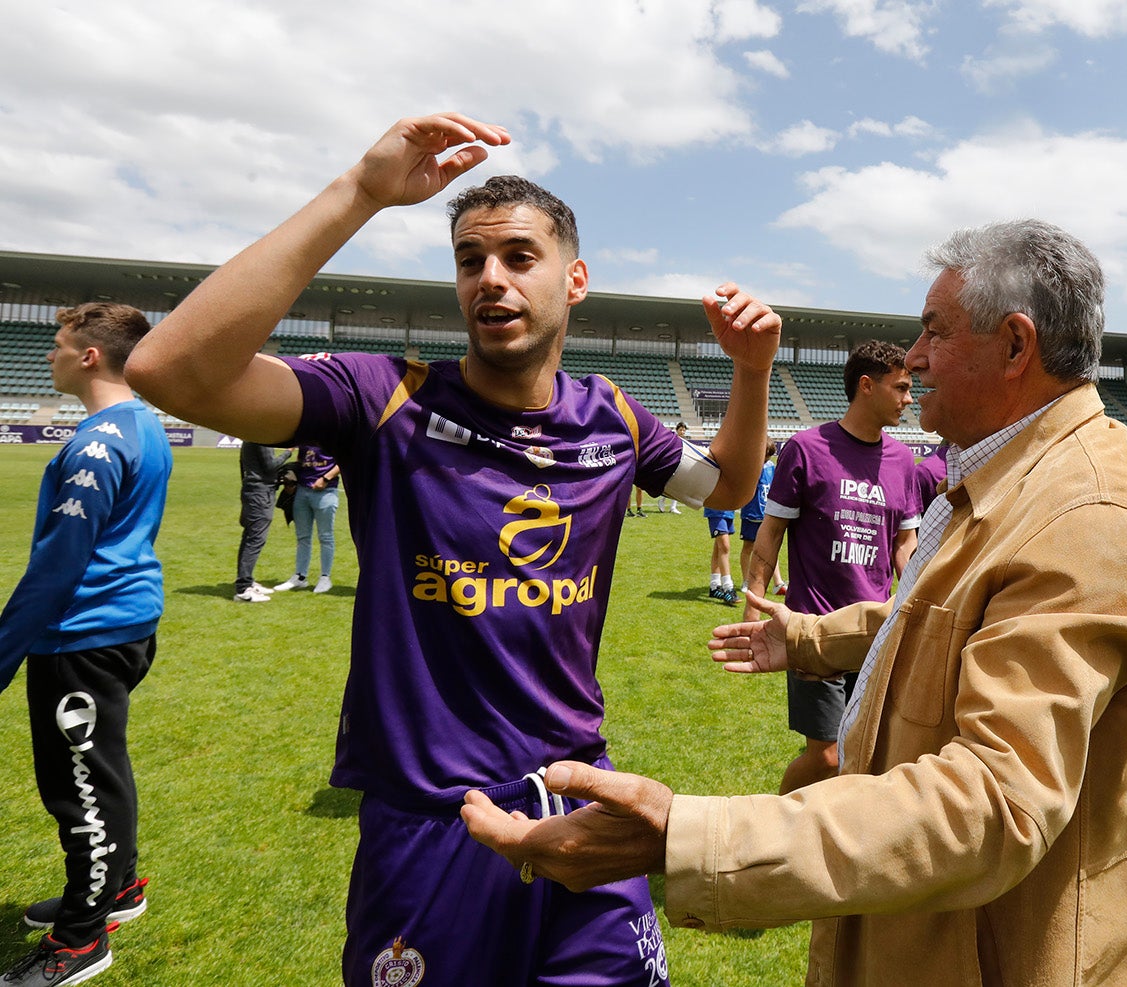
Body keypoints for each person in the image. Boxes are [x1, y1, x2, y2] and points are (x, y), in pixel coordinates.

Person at [124, 112, 780, 987]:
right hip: (433, 819)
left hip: (580, 792)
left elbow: (729, 488)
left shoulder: (613, 416)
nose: (490, 279)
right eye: (470, 261)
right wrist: (361, 192)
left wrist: (751, 370)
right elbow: (170, 370)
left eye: (517, 256)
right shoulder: (382, 397)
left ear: (574, 278)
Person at [462, 219, 1127, 987]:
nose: (914, 358)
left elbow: (995, 801)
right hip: (939, 936)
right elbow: (957, 616)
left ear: (1016, 346)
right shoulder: (1017, 476)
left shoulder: (1088, 515)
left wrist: (687, 836)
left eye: (933, 331)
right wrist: (817, 637)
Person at [0, 303, 172, 987]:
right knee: (100, 767)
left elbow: (57, 566)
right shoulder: (143, 423)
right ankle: (116, 890)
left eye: (58, 343)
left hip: (83, 634)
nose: (50, 354)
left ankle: (80, 941)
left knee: (81, 788)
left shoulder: (98, 443)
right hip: (122, 625)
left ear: (91, 355)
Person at [742, 341, 926, 794]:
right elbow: (771, 532)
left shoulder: (904, 461)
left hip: (874, 630)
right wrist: (754, 602)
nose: (909, 398)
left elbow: (905, 544)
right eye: (900, 387)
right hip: (813, 628)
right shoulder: (806, 449)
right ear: (867, 386)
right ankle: (774, 825)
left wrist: (922, 602)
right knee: (826, 755)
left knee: (868, 752)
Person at [274, 444, 341, 594]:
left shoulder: (333, 434)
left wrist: (325, 478)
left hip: (326, 491)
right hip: (302, 491)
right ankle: (300, 576)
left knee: (325, 536)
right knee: (302, 536)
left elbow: (343, 462)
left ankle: (325, 577)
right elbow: (300, 460)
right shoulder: (304, 435)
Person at [234, 441, 293, 602]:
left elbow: (242, 466)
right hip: (260, 493)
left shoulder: (248, 438)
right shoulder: (260, 439)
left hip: (252, 490)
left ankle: (246, 580)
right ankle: (243, 588)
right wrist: (288, 452)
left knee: (249, 537)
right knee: (255, 539)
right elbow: (270, 466)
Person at [737, 439, 782, 598]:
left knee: (770, 547)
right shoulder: (750, 467)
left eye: (769, 457)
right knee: (748, 547)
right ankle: (746, 581)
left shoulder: (771, 467)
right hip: (751, 513)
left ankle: (778, 583)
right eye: (764, 456)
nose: (766, 460)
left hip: (767, 514)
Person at [704, 507, 738, 604]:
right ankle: (728, 588)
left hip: (728, 510)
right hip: (716, 509)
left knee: (718, 547)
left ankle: (714, 587)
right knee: (724, 546)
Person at [659, 423, 688, 513]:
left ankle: (673, 507)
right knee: (669, 485)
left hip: (680, 465)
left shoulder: (685, 442)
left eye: (684, 430)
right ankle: (662, 500)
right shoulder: (673, 439)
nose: (682, 432)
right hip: (672, 464)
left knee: (677, 486)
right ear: (677, 430)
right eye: (681, 430)